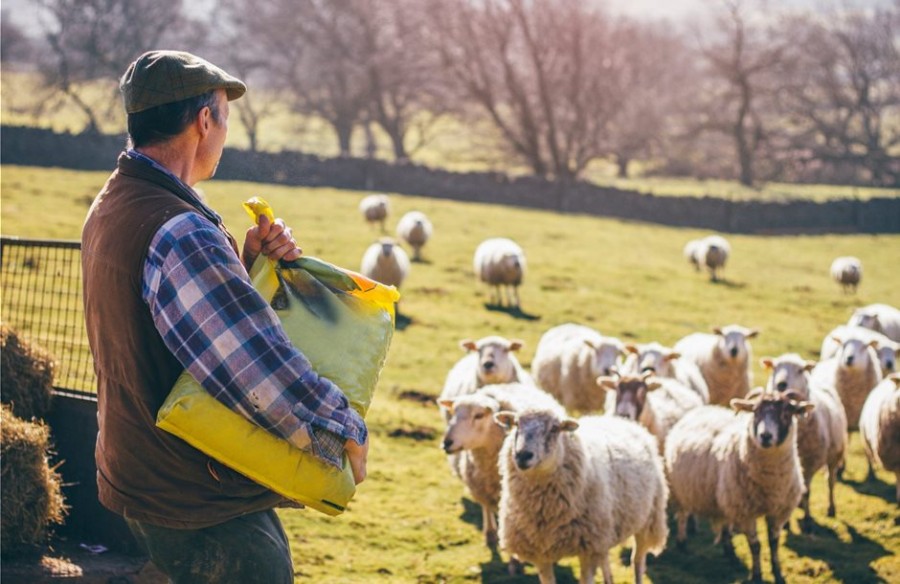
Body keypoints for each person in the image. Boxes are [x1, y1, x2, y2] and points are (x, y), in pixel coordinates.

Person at [81, 50, 369, 583]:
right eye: (225, 118)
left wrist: (247, 267)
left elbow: (169, 320)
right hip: (193, 491)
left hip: (140, 471)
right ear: (203, 121)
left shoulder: (115, 201)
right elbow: (252, 369)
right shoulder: (179, 229)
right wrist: (339, 426)